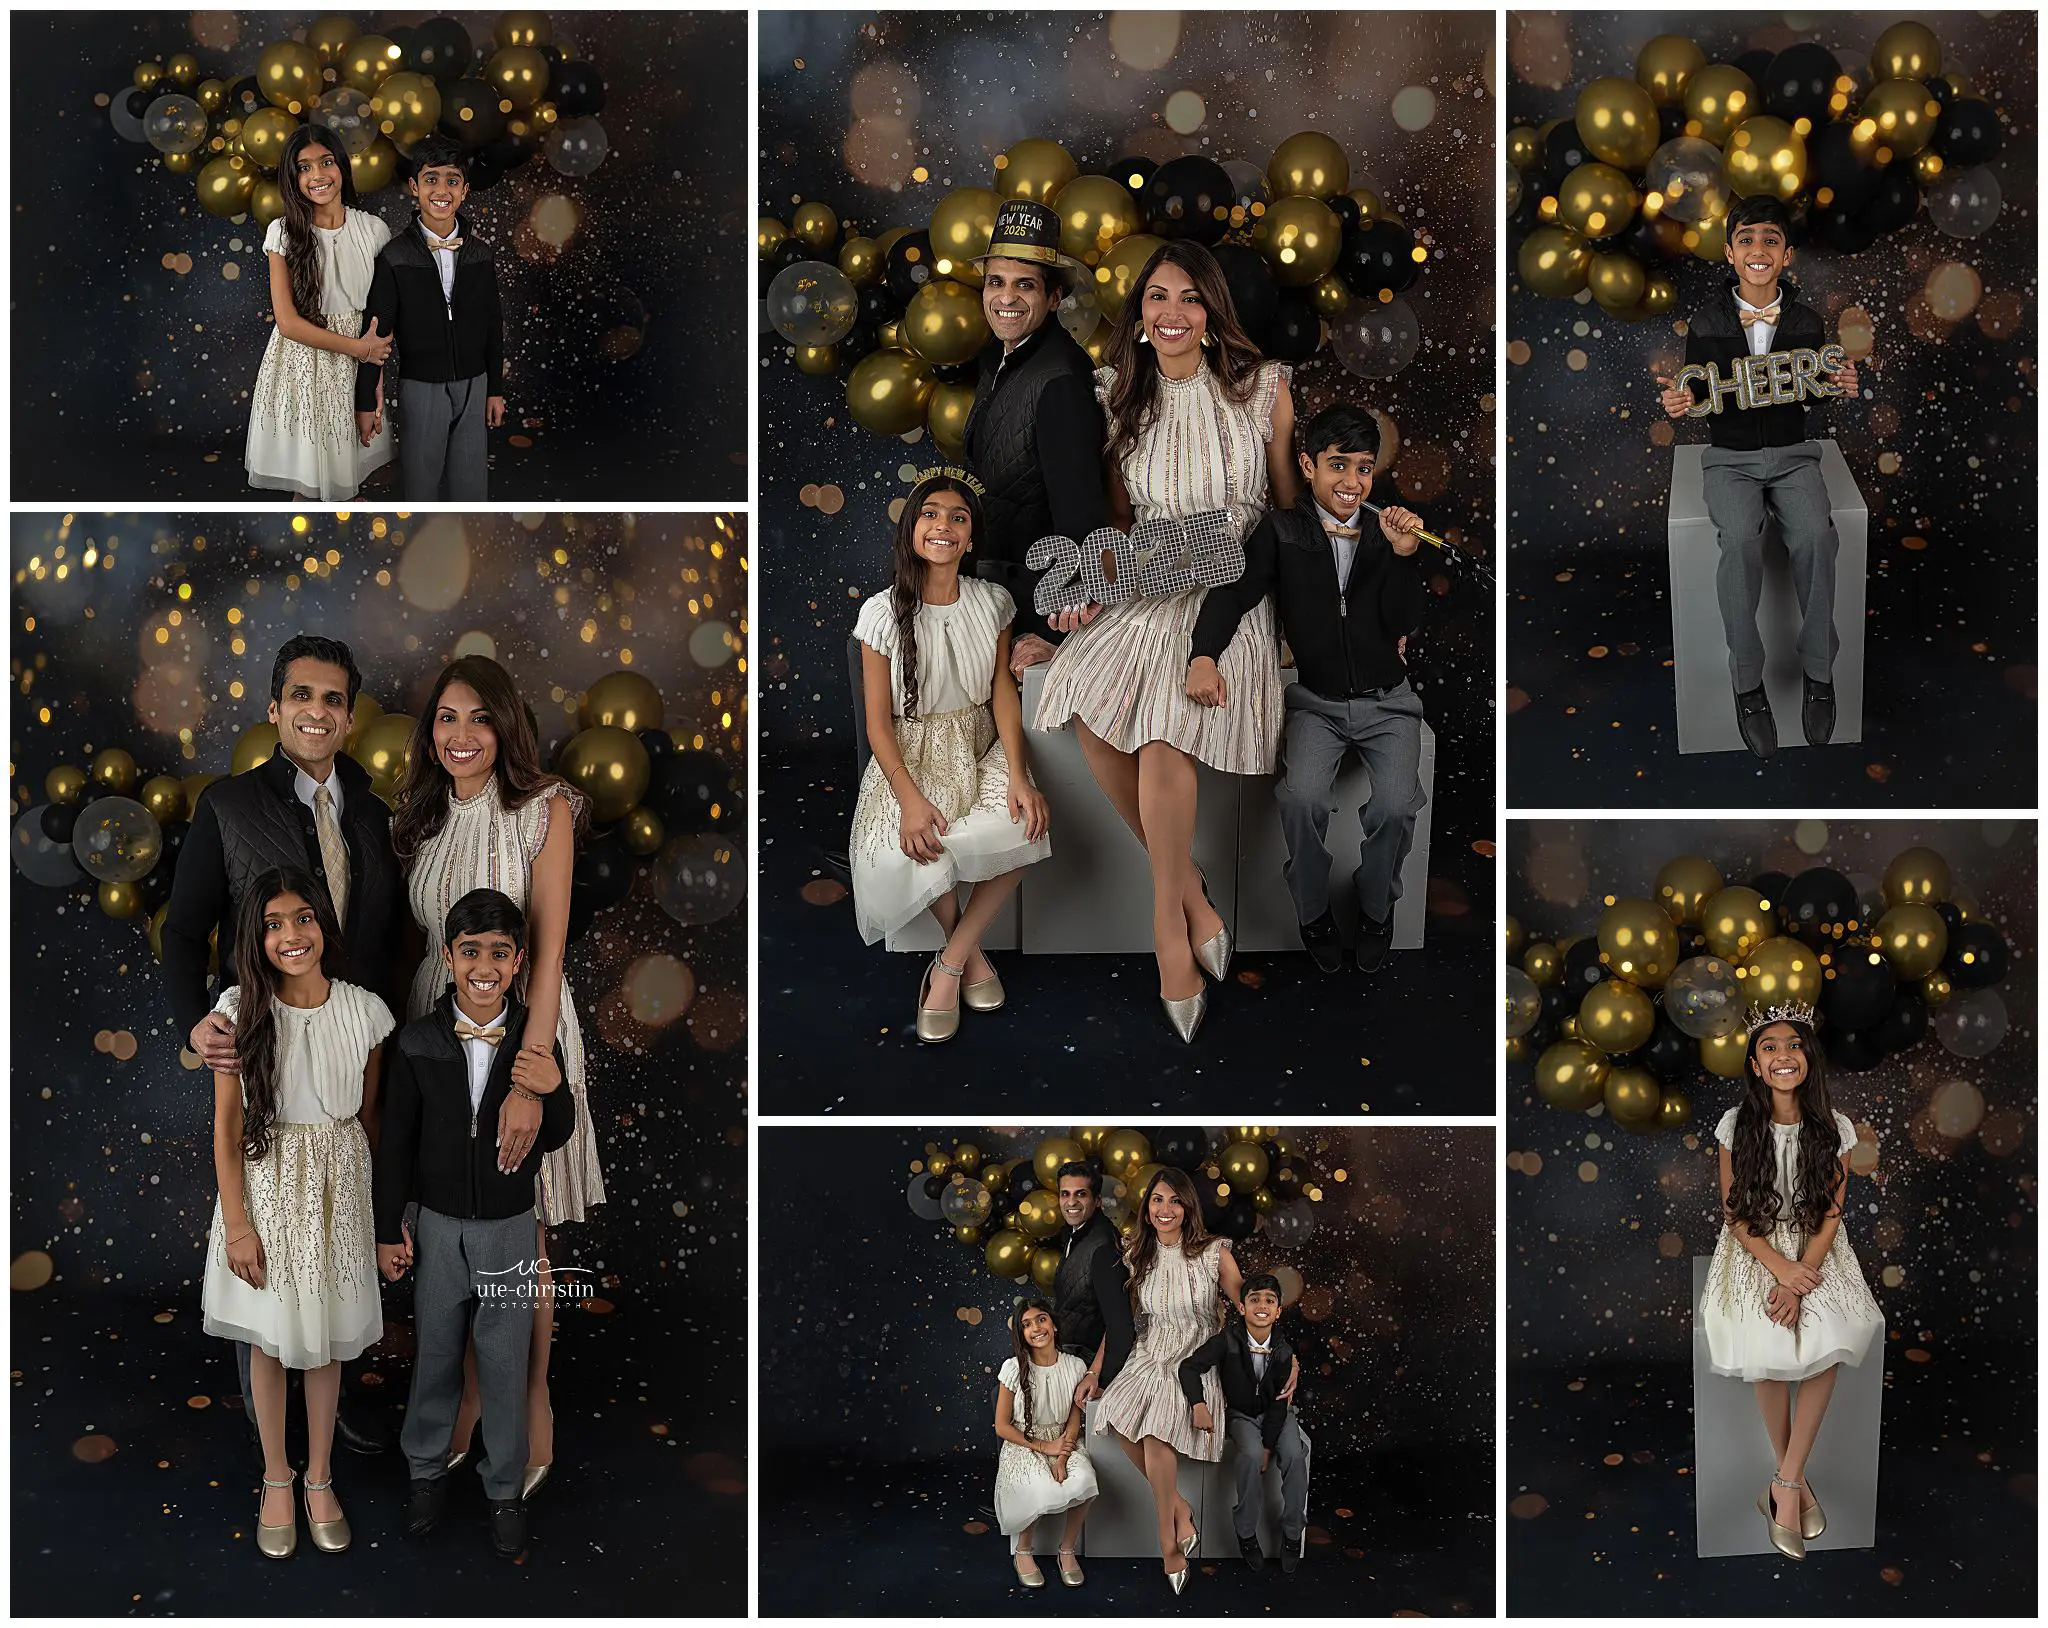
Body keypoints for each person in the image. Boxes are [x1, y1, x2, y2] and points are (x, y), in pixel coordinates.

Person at [1033, 239, 1297, 1043]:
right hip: (1151, 577)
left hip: (1232, 591)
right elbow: (1116, 519)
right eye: (1157, 298)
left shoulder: (1265, 390)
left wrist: (1298, 620)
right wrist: (1086, 590)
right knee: (1084, 698)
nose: (1172, 314)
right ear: (1140, 315)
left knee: (1160, 736)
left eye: (1189, 298)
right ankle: (1189, 887)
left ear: (1213, 313)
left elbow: (1287, 514)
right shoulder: (1117, 396)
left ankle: (1167, 936)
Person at [166, 633, 404, 1461]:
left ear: (348, 716)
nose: (317, 711)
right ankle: (272, 1427)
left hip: (346, 1045)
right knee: (267, 1243)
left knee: (335, 1240)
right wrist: (190, 1018)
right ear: (275, 709)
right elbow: (184, 928)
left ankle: (326, 1413)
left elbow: (388, 940)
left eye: (333, 699)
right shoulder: (230, 806)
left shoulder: (374, 813)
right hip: (265, 1053)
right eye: (302, 695)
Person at [390, 655, 594, 1498]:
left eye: (478, 718)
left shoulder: (543, 808)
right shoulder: (423, 814)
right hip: (437, 1036)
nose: (460, 735)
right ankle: (459, 1404)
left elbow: (545, 951)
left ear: (506, 725)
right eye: (445, 717)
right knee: (448, 1225)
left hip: (524, 1029)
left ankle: (523, 1400)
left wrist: (528, 1077)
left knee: (522, 1235)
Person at [1189, 401, 1428, 974]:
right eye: (1337, 465)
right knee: (1302, 799)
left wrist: (1402, 557)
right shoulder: (1282, 531)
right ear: (1307, 464)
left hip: (1389, 704)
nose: (1352, 482)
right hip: (1316, 703)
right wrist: (1203, 654)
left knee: (1396, 807)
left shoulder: (1385, 533)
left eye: (1364, 468)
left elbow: (1402, 620)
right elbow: (1234, 594)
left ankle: (1376, 908)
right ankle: (1314, 908)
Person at [375, 889, 574, 1561]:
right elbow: (396, 1142)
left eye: (498, 953)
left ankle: (503, 1491)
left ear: (518, 961)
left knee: (503, 1358)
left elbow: (560, 1133)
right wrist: (386, 1227)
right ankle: (426, 1472)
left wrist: (551, 1088)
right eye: (469, 952)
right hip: (434, 1225)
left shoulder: (535, 1039)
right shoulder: (419, 1040)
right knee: (434, 1352)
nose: (483, 966)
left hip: (509, 1226)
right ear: (447, 956)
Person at [201, 871, 395, 1558]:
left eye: (304, 919)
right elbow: (227, 1131)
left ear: (324, 928)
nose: (292, 935)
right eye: (275, 923)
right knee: (269, 1336)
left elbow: (369, 1121)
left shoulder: (366, 1013)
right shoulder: (237, 1009)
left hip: (339, 1187)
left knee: (327, 1338)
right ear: (257, 937)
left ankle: (319, 1477)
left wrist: (376, 1225)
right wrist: (239, 1225)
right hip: (267, 1188)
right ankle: (276, 1477)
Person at [851, 470, 1051, 1042]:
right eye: (931, 514)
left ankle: (950, 964)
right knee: (918, 845)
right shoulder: (880, 613)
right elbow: (877, 723)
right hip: (911, 754)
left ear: (970, 539)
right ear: (913, 528)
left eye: (958, 519)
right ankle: (971, 956)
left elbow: (1003, 694)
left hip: (979, 742)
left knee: (1025, 825)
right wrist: (908, 799)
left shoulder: (994, 603)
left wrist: (1017, 773)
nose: (943, 526)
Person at [1658, 192, 1860, 759]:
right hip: (1729, 460)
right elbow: (1699, 391)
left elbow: (1810, 388)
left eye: (1770, 239)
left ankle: (1820, 672)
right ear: (1729, 253)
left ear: (1787, 254)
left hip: (1795, 455)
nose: (1758, 249)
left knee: (1818, 535)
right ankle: (1748, 684)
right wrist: (1680, 401)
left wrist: (1838, 386)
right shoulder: (1708, 322)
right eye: (1746, 239)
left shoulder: (1807, 321)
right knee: (1741, 540)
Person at [1702, 1006, 1884, 1560]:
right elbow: (1734, 1213)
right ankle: (1793, 1486)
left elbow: (1831, 1213)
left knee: (1831, 1337)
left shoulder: (1836, 1128)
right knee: (1767, 1344)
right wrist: (1778, 1270)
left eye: (1794, 1045)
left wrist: (1802, 1275)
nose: (1784, 1056)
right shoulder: (1736, 1124)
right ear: (1756, 1066)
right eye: (1770, 1048)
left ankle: (1783, 1482)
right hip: (1754, 1248)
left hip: (1816, 1247)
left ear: (1809, 1058)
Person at [1077, 1167, 1287, 1594]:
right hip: (1150, 1351)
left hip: (1196, 1359)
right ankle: (1180, 1507)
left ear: (1189, 1206)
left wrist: (1287, 1358)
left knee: (1155, 1430)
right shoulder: (1137, 1253)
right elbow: (1120, 1323)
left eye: (1175, 1200)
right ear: (1147, 1207)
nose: (1166, 1209)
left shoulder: (1214, 1254)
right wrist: (1096, 1371)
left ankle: (1168, 1544)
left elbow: (1254, 1310)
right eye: (1158, 1200)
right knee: (1116, 1414)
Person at [960, 198, 1111, 674]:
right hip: (993, 591)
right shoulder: (999, 358)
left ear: (1054, 297)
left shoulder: (1062, 381)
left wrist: (1051, 635)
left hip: (1033, 607)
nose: (1006, 298)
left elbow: (1083, 519)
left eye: (1025, 285)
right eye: (996, 282)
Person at [245, 124, 396, 501]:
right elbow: (288, 322)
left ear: (341, 166)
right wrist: (360, 349)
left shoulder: (374, 231)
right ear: (293, 178)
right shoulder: (283, 233)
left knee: (346, 479)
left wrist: (372, 381)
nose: (317, 176)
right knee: (310, 485)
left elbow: (378, 322)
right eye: (304, 167)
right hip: (302, 367)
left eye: (326, 162)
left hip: (355, 370)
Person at [355, 136, 505, 500]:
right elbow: (375, 333)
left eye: (452, 181)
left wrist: (495, 389)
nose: (442, 190)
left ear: (465, 191)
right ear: (414, 187)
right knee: (420, 484)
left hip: (476, 383)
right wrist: (364, 401)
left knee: (471, 487)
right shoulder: (395, 256)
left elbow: (493, 324)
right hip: (421, 386)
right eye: (431, 179)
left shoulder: (481, 254)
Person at [1179, 1271, 1307, 1572]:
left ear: (1278, 1311)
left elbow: (1279, 1402)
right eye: (1254, 1299)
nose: (1261, 1305)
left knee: (1294, 1455)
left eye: (1269, 1300)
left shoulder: (1284, 1350)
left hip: (1277, 1415)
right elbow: (1189, 1367)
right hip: (1241, 1414)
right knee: (1248, 1456)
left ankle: (1292, 1532)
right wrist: (1198, 1404)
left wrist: (1268, 1445)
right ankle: (1246, 1532)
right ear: (1241, 1307)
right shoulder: (1228, 1340)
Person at [992, 1295, 1098, 1588]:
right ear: (1021, 1334)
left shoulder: (1076, 1366)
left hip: (1063, 1440)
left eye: (1041, 1319)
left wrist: (1062, 1455)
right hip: (1024, 1442)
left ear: (1054, 1325)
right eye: (1027, 1324)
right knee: (1038, 1486)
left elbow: (1075, 1418)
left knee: (1085, 1481)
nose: (1036, 1328)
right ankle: (1023, 1551)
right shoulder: (1014, 1368)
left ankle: (1067, 1550)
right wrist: (1042, 1447)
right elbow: (1002, 1426)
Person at [1049, 1162, 1117, 1362]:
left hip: (1083, 1359)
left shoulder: (1103, 1246)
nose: (1071, 1202)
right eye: (1065, 1194)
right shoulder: (1076, 1233)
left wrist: (1094, 1374)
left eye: (1080, 1194)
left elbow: (1117, 1325)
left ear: (1097, 1201)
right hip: (1065, 1350)